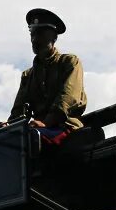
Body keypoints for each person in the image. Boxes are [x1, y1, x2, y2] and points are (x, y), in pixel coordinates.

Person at [7, 8, 87, 145]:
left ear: (54, 37)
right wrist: (10, 127)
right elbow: (18, 112)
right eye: (32, 33)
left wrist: (46, 122)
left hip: (65, 127)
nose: (34, 39)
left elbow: (67, 98)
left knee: (28, 141)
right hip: (38, 129)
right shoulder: (28, 75)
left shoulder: (69, 62)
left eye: (41, 33)